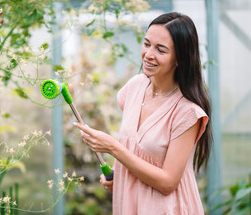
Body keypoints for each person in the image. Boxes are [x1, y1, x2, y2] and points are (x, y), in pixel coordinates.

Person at [74, 12, 212, 214]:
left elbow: (168, 182)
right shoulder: (135, 87)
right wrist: (120, 176)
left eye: (161, 50)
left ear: (179, 59)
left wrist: (113, 148)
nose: (148, 54)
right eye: (146, 44)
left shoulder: (187, 112)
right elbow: (139, 151)